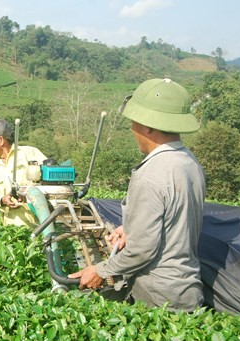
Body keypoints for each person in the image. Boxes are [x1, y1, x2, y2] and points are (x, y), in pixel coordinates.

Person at [69, 78, 207, 312]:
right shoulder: (189, 162)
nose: (132, 129)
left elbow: (142, 250)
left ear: (148, 125)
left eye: (134, 121)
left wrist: (101, 270)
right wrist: (131, 228)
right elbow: (172, 221)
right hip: (187, 291)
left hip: (158, 298)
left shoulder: (151, 174)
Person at [0, 118, 47, 228]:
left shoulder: (29, 153)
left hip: (38, 225)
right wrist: (2, 199)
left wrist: (28, 195)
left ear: (0, 139)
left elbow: (52, 182)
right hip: (9, 228)